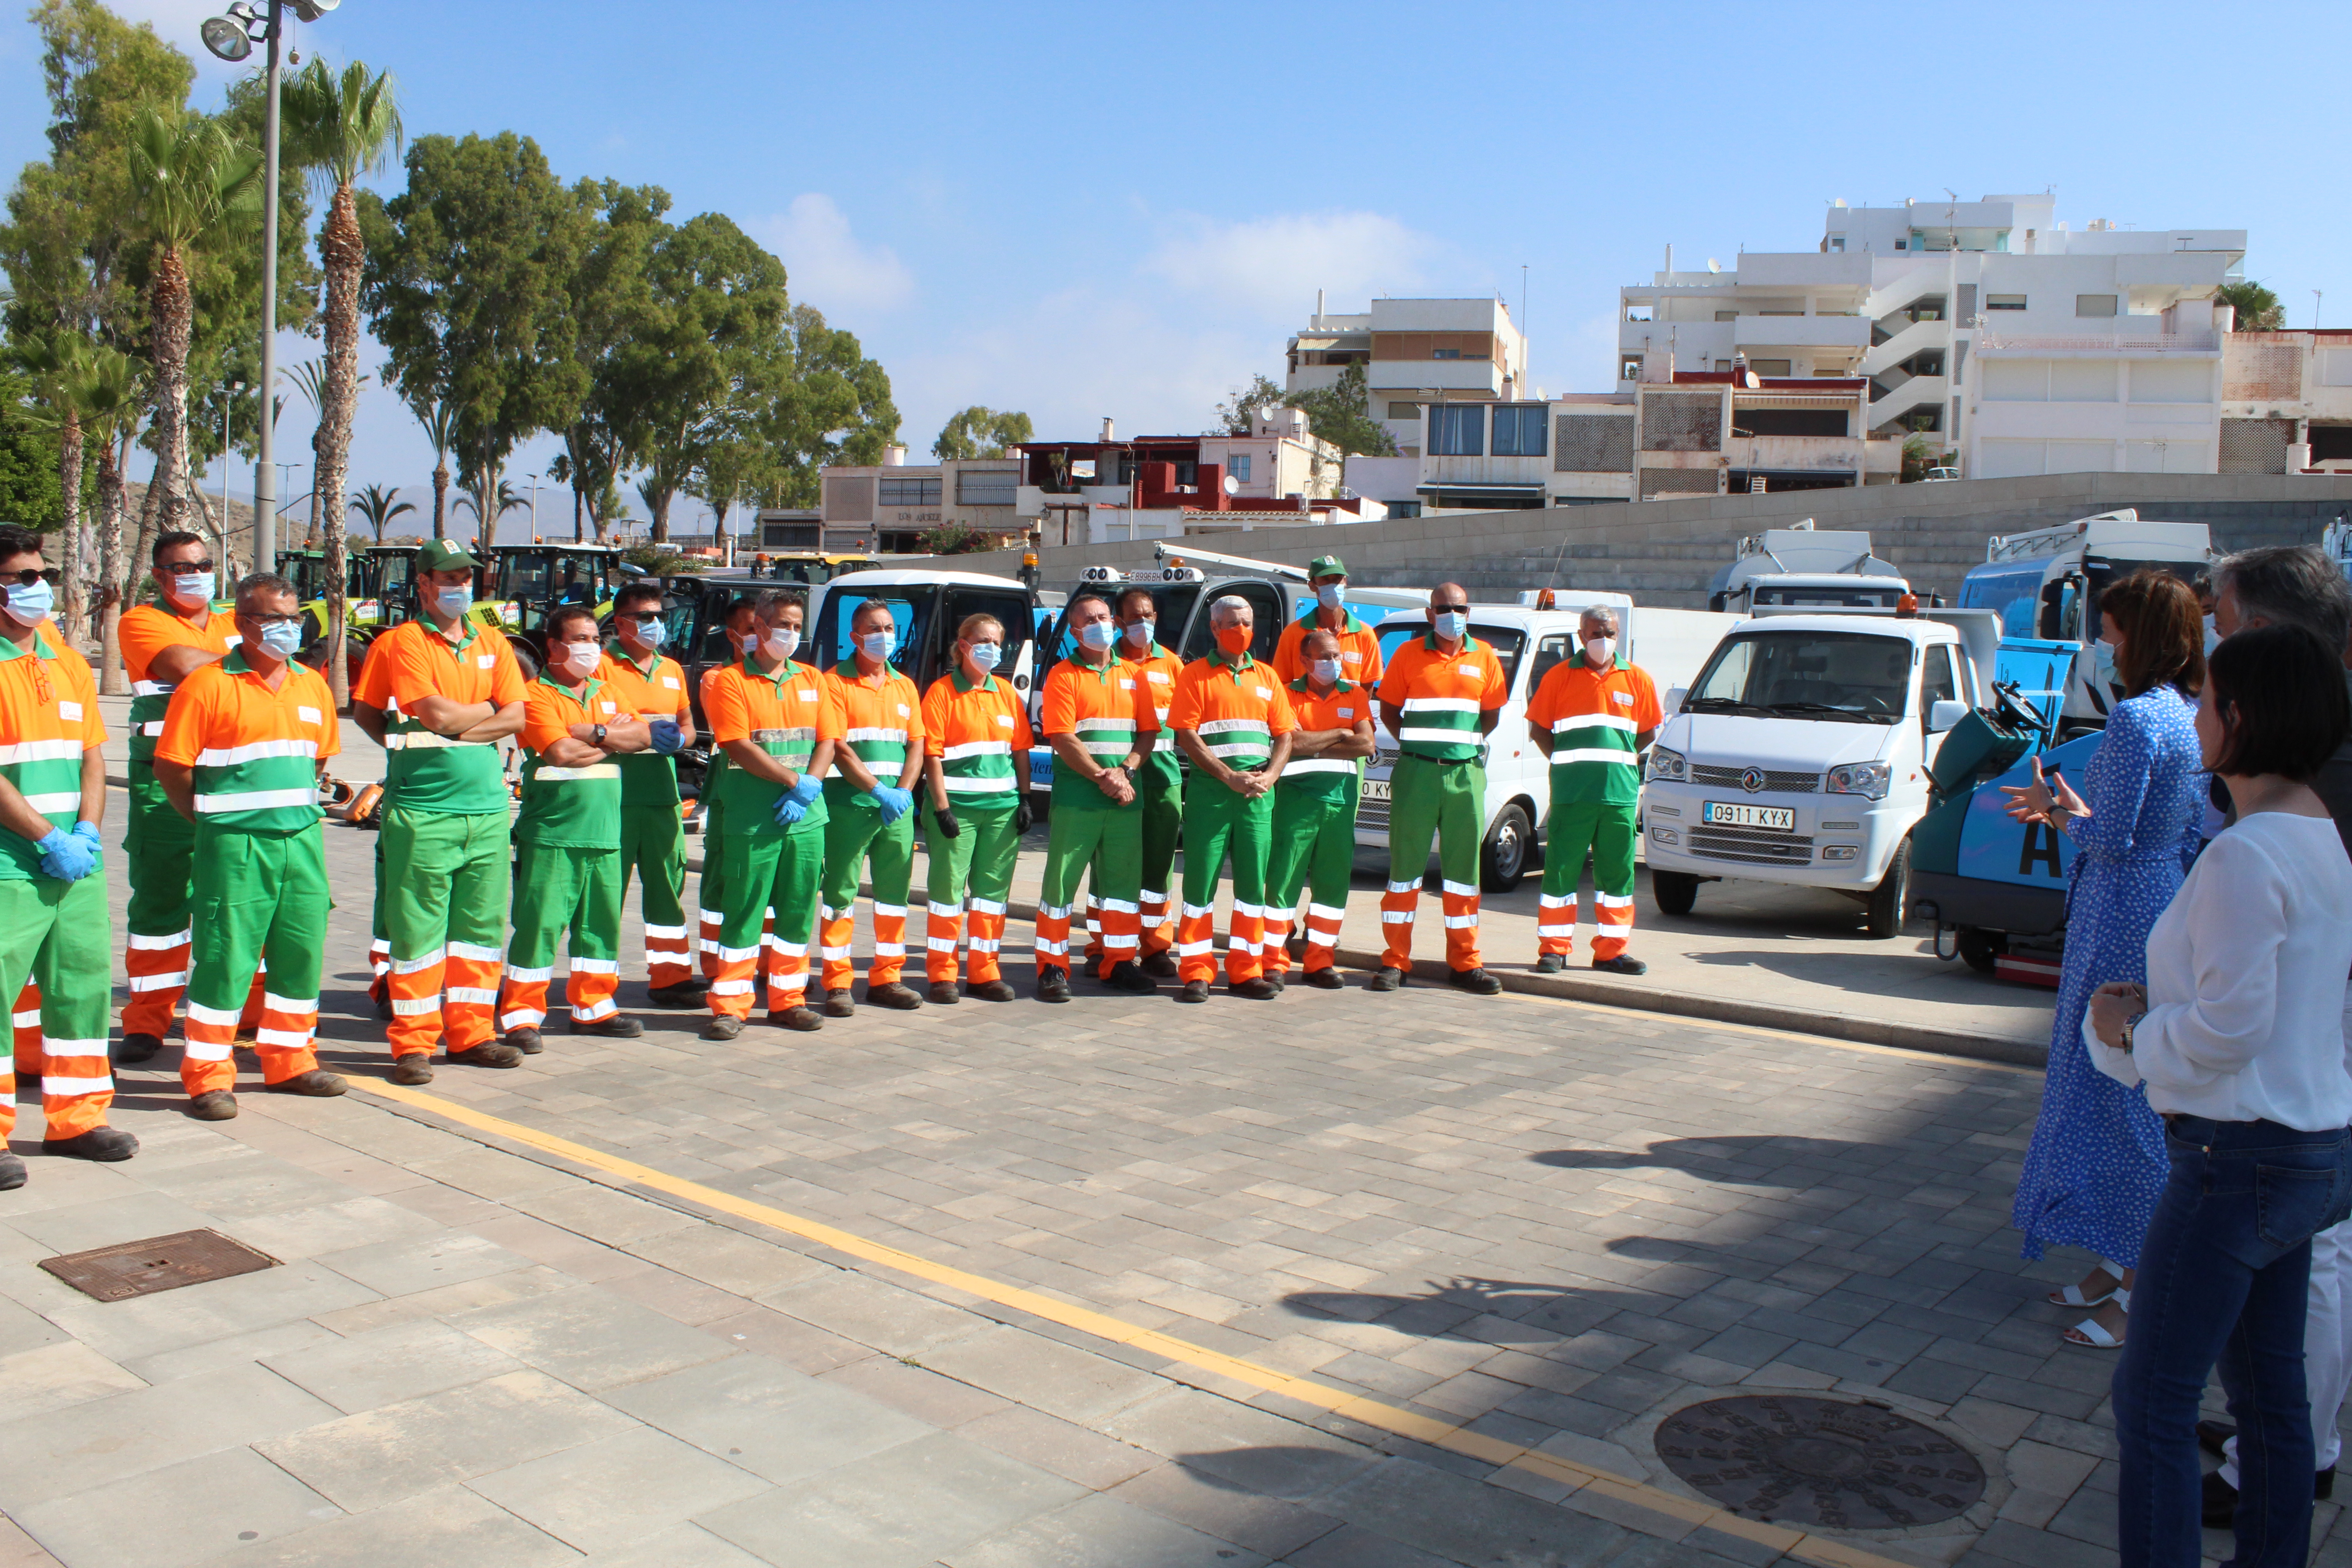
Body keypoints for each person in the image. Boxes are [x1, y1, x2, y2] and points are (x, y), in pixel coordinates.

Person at [2089, 623, 2352, 1568]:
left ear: (2241, 718)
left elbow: (2233, 1028)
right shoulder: (2318, 833)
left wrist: (2131, 1033)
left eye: (2206, 703)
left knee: (2152, 1400)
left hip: (2233, 1163)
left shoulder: (2249, 855)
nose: (2196, 719)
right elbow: (2273, 1018)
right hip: (2306, 1154)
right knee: (2272, 1400)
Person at [2002, 570, 2208, 1348]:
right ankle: (2114, 1262)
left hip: (2117, 907)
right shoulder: (2185, 715)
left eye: (2112, 630)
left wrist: (2051, 809)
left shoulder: (2132, 720)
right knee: (2118, 1086)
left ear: (2137, 635)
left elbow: (2106, 835)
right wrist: (2075, 811)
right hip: (2154, 896)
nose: (2104, 645)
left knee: (2111, 1088)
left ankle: (2136, 1278)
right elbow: (2152, 827)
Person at [2196, 545, 2352, 1526]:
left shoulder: (2324, 754)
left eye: (2221, 621)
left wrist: (2148, 1038)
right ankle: (2285, 1432)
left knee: (2322, 1248)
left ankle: (2291, 1452)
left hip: (2318, 1040)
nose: (2210, 637)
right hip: (2315, 1029)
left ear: (2257, 633)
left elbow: (2235, 1016)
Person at [150, 573, 348, 1117]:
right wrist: (211, 819)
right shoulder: (209, 685)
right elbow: (172, 765)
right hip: (235, 845)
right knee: (226, 957)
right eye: (271, 619)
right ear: (242, 624)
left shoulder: (311, 685)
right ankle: (208, 1075)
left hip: (302, 842)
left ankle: (291, 1061)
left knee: (300, 953)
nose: (286, 629)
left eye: (293, 619)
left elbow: (319, 762)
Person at [0, 524, 134, 1182]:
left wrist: (85, 832)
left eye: (40, 574)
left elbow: (92, 756)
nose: (39, 587)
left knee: (79, 992)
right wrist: (44, 837)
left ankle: (78, 1119)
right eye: (23, 578)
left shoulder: (67, 660)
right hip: (10, 865)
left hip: (74, 865)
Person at [373, 540, 529, 1083]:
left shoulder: (493, 641)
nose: (460, 586)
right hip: (424, 808)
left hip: (487, 810)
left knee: (479, 930)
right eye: (448, 578)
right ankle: (413, 1044)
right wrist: (482, 714)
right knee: (418, 931)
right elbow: (430, 716)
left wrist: (463, 725)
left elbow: (517, 716)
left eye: (467, 577)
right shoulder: (405, 643)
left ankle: (472, 1034)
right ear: (423, 585)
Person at [498, 605, 655, 1053]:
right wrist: (611, 739)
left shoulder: (608, 690)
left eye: (594, 640)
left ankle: (594, 1007)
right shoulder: (534, 695)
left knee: (600, 926)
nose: (590, 648)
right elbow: (561, 754)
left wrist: (591, 732)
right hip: (553, 833)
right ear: (553, 646)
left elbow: (643, 738)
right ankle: (522, 1015)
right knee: (539, 926)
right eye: (579, 639)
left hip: (605, 832)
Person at [118, 530, 245, 1061]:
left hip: (235, 777)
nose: (196, 573)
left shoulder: (237, 621)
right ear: (158, 575)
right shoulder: (141, 622)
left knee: (240, 899)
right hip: (164, 780)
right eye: (182, 566)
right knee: (162, 903)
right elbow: (185, 667)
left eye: (204, 563)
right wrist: (251, 662)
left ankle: (249, 1013)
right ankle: (148, 1021)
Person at [700, 589, 838, 1039]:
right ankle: (730, 1006)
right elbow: (738, 744)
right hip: (754, 818)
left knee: (797, 912)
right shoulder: (731, 682)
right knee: (745, 910)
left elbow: (827, 740)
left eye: (798, 626)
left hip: (806, 819)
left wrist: (811, 784)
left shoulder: (814, 680)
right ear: (757, 627)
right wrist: (794, 782)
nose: (790, 634)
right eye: (783, 624)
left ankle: (788, 1000)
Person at [1373, 582, 1506, 996]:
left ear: (1470, 610)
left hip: (1465, 776)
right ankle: (1395, 962)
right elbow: (1390, 711)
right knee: (1405, 874)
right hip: (1417, 773)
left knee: (1464, 876)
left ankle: (1466, 963)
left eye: (1460, 607)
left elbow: (1491, 717)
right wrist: (1420, 747)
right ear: (1430, 614)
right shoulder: (1408, 655)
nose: (1453, 613)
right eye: (1444, 607)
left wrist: (1458, 749)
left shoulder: (1485, 655)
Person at [1168, 595, 1295, 1002]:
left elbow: (1285, 735)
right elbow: (1185, 735)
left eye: (1247, 622)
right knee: (1200, 886)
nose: (1242, 629)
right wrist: (1228, 776)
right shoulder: (1194, 675)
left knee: (1252, 890)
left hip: (1258, 796)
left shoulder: (1268, 677)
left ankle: (1246, 970)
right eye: (1234, 623)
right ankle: (1196, 971)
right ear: (1215, 628)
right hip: (1212, 795)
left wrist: (1271, 776)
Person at [1034, 592, 1160, 1002]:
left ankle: (1119, 962)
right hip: (1079, 798)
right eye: (1090, 619)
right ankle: (1052, 966)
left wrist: (1126, 772)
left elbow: (1148, 732)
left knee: (1122, 887)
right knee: (1061, 885)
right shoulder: (1063, 676)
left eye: (1104, 616)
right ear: (1074, 631)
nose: (1100, 623)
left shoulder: (1134, 674)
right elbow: (1063, 737)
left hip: (1126, 797)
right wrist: (1102, 776)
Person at [1526, 606, 1661, 976]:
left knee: (1617, 877)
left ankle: (1612, 952)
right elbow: (1539, 728)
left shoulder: (1637, 679)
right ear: (1582, 635)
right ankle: (1554, 949)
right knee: (1561, 873)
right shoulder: (1558, 677)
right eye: (1596, 633)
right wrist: (1566, 762)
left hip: (1618, 795)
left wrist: (1620, 759)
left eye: (1611, 633)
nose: (1604, 640)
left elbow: (1648, 731)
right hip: (1573, 794)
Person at [816, 599, 927, 1015]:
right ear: (855, 637)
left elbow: (916, 743)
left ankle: (888, 978)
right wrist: (880, 790)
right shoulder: (833, 683)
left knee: (893, 898)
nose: (884, 636)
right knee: (839, 895)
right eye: (874, 629)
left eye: (889, 628)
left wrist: (904, 791)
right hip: (850, 806)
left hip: (895, 811)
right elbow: (838, 746)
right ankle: (838, 982)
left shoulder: (904, 685)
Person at [918, 613, 1034, 1004]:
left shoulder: (1005, 693)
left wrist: (1026, 797)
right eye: (984, 640)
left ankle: (985, 973)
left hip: (1001, 811)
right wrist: (941, 809)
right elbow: (931, 755)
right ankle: (942, 975)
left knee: (990, 897)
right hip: (958, 811)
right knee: (947, 894)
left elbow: (1019, 750)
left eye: (998, 642)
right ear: (963, 645)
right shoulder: (941, 693)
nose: (992, 649)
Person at [601, 581, 702, 1008]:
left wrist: (678, 741)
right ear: (620, 622)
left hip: (662, 795)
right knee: (606, 896)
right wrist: (638, 733)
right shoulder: (601, 668)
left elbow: (689, 725)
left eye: (658, 616)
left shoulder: (671, 669)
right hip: (615, 798)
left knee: (667, 887)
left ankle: (671, 979)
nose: (655, 624)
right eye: (645, 617)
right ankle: (597, 985)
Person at [1261, 627, 1374, 990]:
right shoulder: (1287, 694)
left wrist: (1317, 743)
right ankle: (1272, 961)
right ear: (1305, 661)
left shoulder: (1354, 693)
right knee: (1283, 883)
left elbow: (1366, 744)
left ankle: (1320, 961)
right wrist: (1341, 733)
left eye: (1336, 656)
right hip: (1296, 802)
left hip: (1339, 804)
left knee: (1332, 886)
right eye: (1324, 657)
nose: (1332, 662)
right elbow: (1290, 743)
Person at [1090, 587, 1183, 975]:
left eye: (1147, 615)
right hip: (1118, 780)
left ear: (1156, 618)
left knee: (1159, 867)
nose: (1141, 623)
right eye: (1132, 617)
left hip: (1162, 778)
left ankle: (1156, 946)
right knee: (1108, 866)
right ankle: (1101, 945)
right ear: (1119, 621)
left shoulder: (1174, 665)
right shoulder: (1107, 663)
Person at [697, 597, 766, 986]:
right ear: (734, 635)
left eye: (765, 628)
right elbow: (735, 736)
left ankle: (769, 966)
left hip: (772, 795)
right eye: (753, 629)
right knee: (723, 881)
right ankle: (716, 966)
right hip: (731, 793)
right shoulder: (718, 679)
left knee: (768, 888)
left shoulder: (787, 679)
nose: (762, 637)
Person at [1272, 554, 1385, 690]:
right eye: (1326, 580)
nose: (1333, 585)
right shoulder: (1293, 633)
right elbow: (1282, 684)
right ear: (1312, 586)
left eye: (1337, 579)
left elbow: (1367, 688)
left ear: (1345, 581)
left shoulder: (1365, 635)